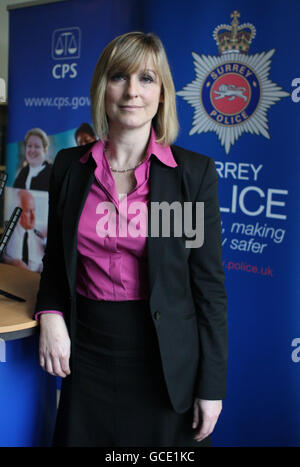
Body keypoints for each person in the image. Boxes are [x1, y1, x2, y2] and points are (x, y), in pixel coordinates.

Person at [34, 31, 228, 447]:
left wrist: (212, 387)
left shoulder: (190, 176)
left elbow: (208, 289)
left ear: (163, 93)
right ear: (103, 86)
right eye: (119, 77)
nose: (132, 92)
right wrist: (50, 313)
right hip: (85, 358)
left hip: (164, 364)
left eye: (146, 79)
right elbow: (56, 260)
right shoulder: (70, 167)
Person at [3, 190, 46, 272]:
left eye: (34, 210)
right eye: (28, 211)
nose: (33, 216)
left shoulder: (39, 238)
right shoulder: (7, 233)